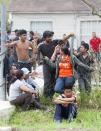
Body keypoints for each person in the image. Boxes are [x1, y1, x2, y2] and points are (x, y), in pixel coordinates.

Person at [38, 31, 74, 97]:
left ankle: (51, 96)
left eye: (51, 36)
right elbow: (36, 53)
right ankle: (46, 97)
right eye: (49, 37)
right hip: (46, 65)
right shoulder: (41, 45)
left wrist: (69, 35)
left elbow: (63, 40)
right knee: (47, 82)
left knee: (54, 81)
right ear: (45, 37)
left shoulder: (54, 42)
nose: (50, 38)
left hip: (55, 65)